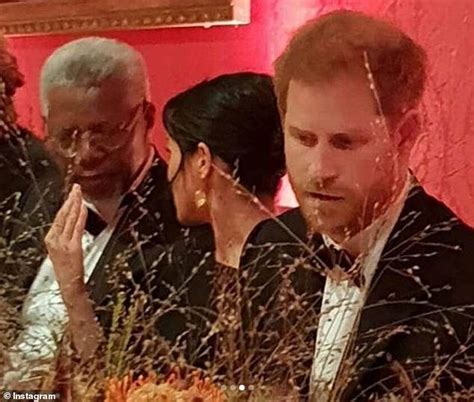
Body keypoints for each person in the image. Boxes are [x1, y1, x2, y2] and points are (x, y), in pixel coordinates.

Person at [243, 10, 474, 400]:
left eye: (344, 142)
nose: (318, 170)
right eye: (302, 138)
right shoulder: (269, 245)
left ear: (405, 135)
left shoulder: (464, 276)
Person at [3, 37, 182, 386]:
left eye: (103, 133)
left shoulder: (179, 219)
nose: (84, 154)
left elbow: (135, 384)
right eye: (65, 136)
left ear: (146, 117)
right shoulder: (40, 194)